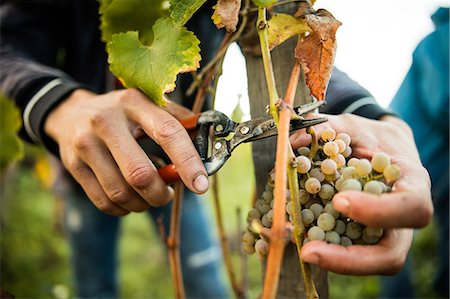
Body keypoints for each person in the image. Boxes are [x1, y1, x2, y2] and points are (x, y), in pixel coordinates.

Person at [0, 0, 433, 297]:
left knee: (205, 285)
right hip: (86, 167)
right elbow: (8, 47)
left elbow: (281, 49)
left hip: (189, 166)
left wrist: (375, 116)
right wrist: (59, 105)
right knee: (94, 286)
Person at [380, 7, 449, 298]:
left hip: (435, 155)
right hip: (409, 151)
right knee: (388, 233)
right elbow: (444, 103)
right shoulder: (439, 41)